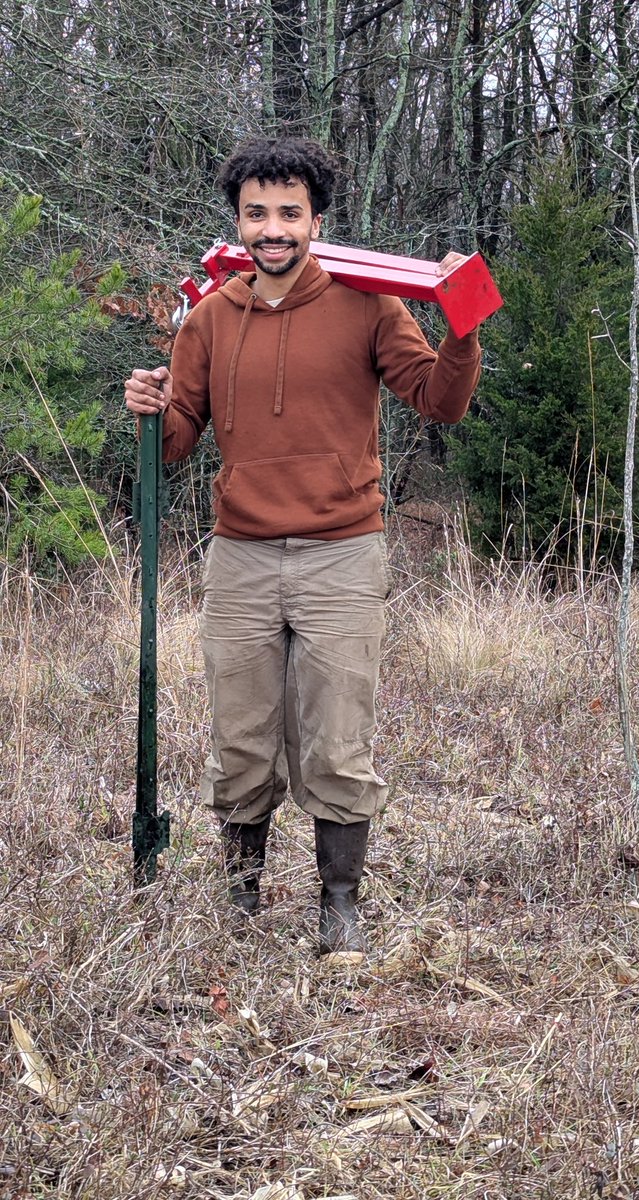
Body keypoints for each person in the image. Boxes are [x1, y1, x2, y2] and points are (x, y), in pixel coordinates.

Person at [125, 136, 481, 954]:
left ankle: (339, 905)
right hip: (240, 557)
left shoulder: (368, 306)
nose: (273, 228)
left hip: (342, 555)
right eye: (256, 214)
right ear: (239, 224)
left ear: (316, 221)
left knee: (337, 738)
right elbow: (176, 440)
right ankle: (241, 897)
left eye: (289, 212)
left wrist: (462, 334)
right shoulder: (210, 319)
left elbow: (439, 401)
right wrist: (150, 407)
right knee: (239, 739)